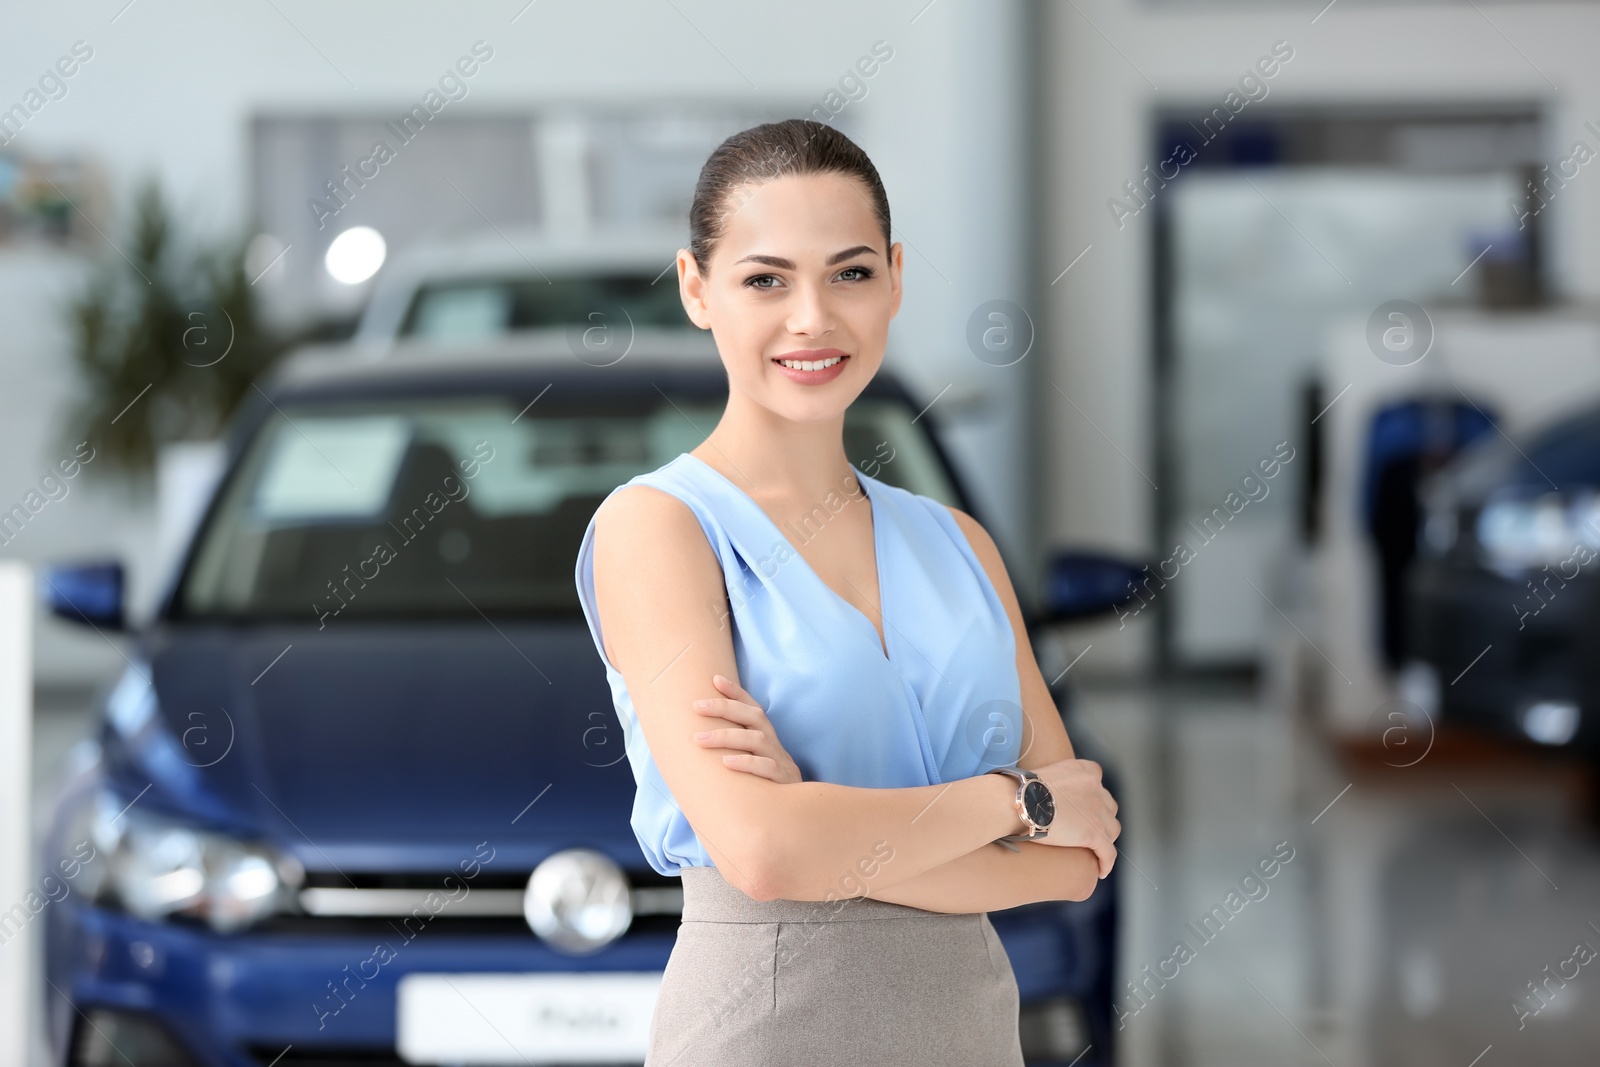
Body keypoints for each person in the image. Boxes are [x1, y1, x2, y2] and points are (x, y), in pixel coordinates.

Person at [574, 118, 1120, 1067]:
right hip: (767, 1027)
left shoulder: (958, 544)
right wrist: (1012, 800)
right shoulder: (657, 529)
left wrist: (822, 819)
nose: (813, 318)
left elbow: (1077, 858)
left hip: (971, 1029)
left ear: (896, 278)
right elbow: (764, 855)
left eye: (851, 272)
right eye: (765, 279)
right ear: (697, 289)